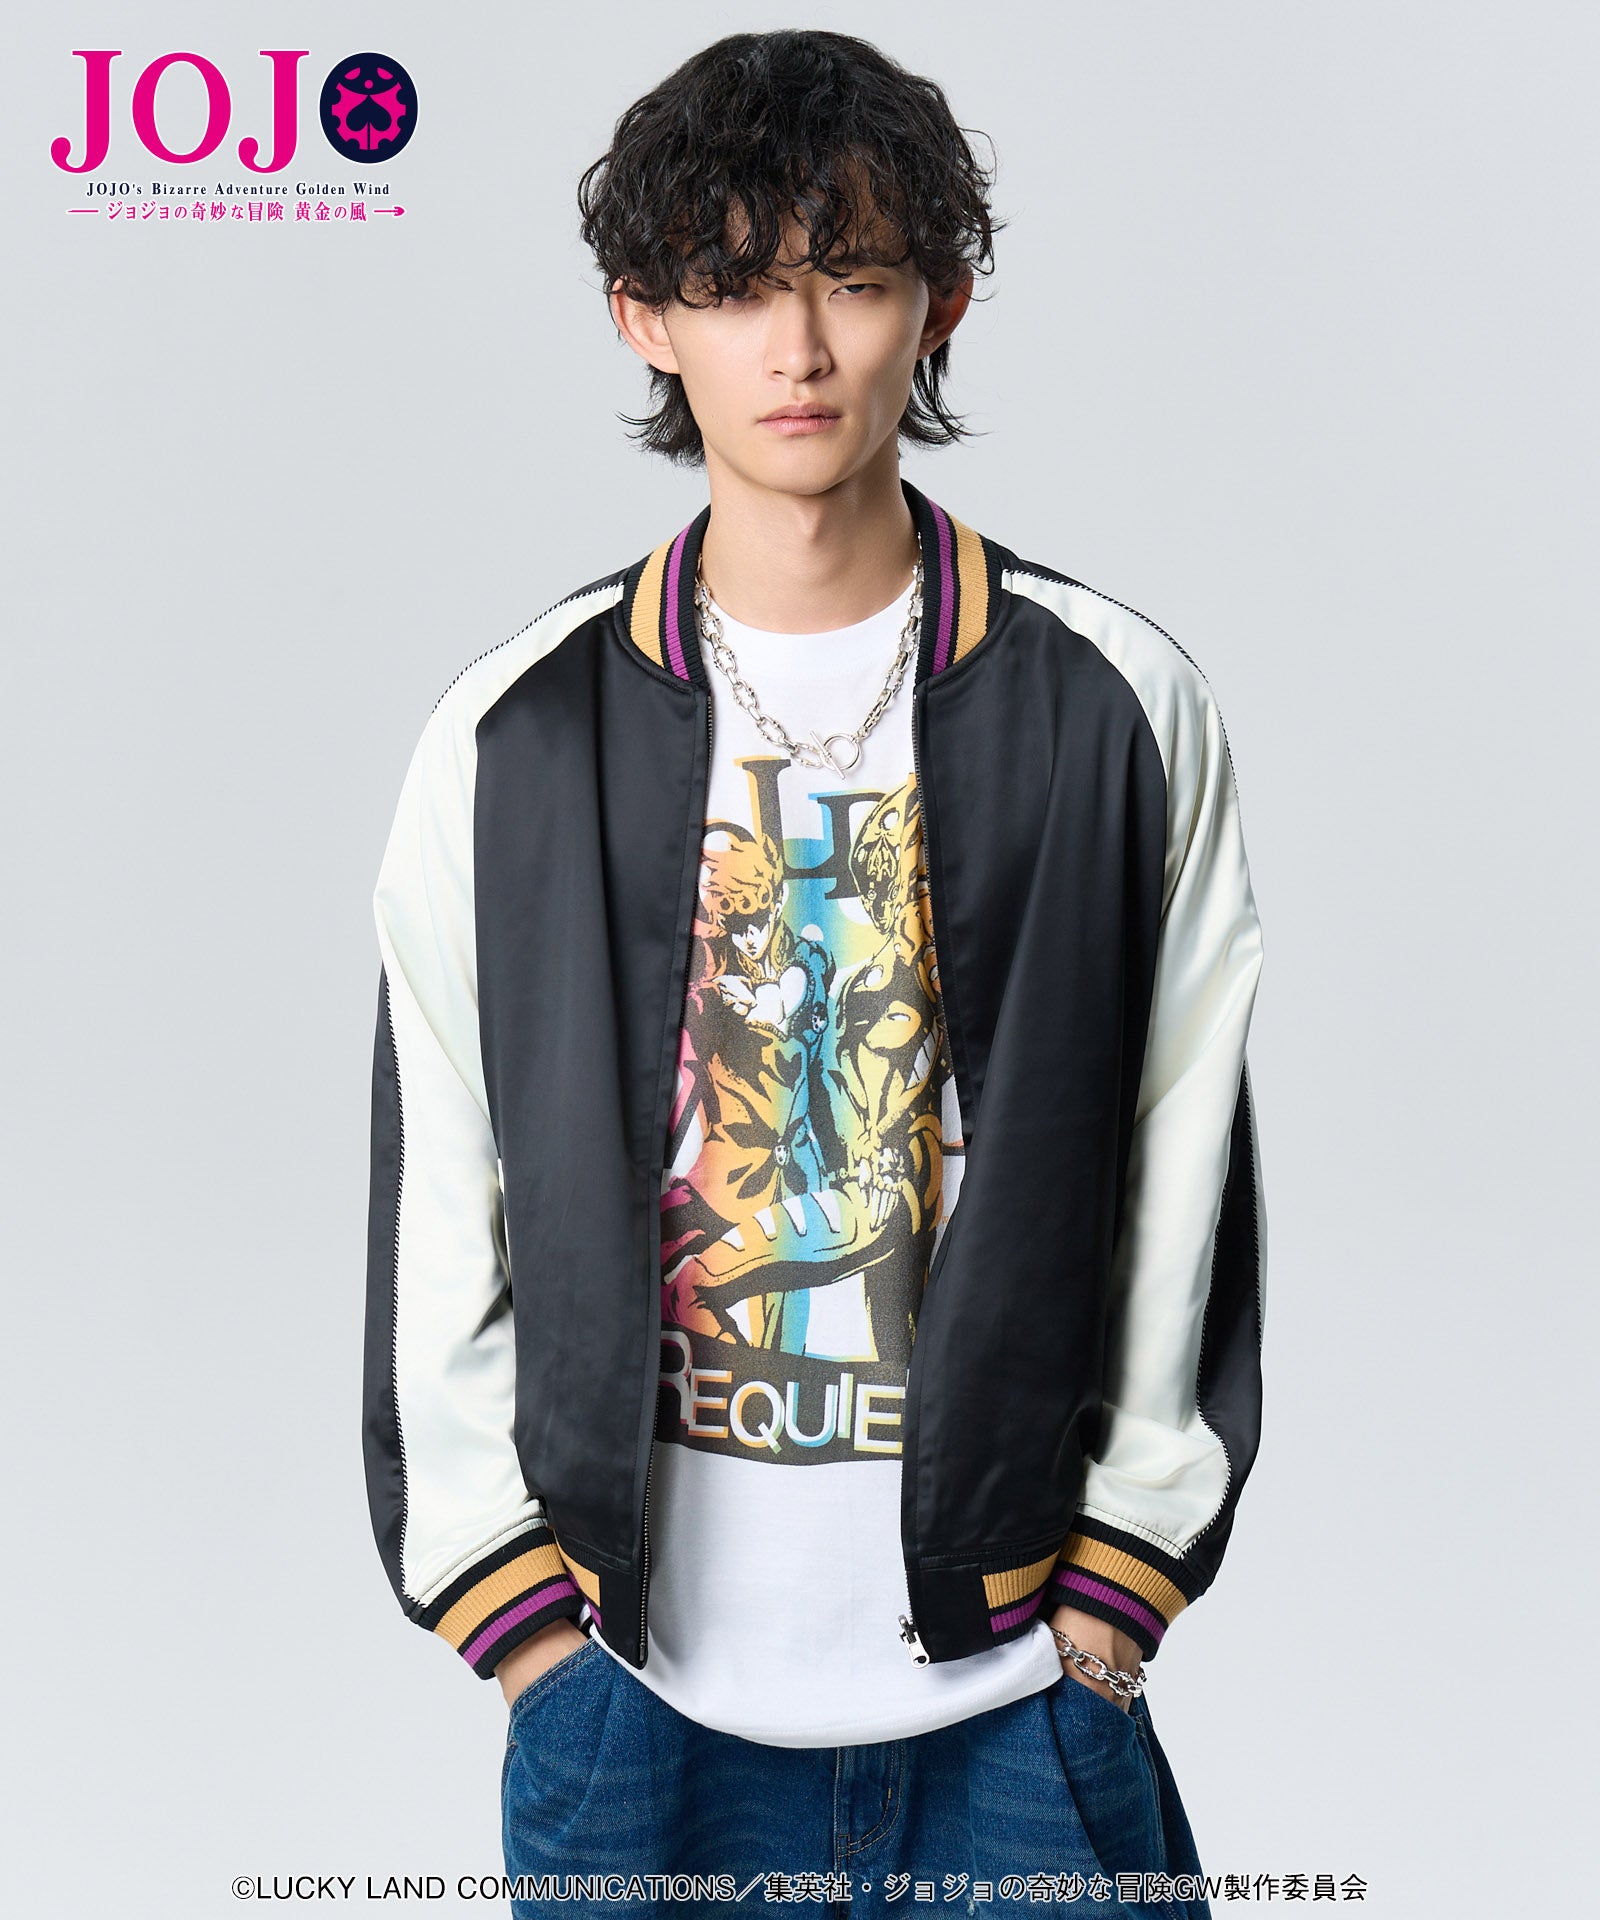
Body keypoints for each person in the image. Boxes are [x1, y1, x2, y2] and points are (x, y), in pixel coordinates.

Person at [362, 28, 1266, 1920]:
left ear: (940, 304)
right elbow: (441, 1188)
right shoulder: (516, 738)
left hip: (1020, 1695)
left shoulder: (1112, 707)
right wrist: (524, 1636)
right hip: (635, 1713)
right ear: (643, 318)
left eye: (853, 279)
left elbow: (1185, 1158)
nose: (798, 347)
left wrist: (1118, 1597)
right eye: (732, 285)